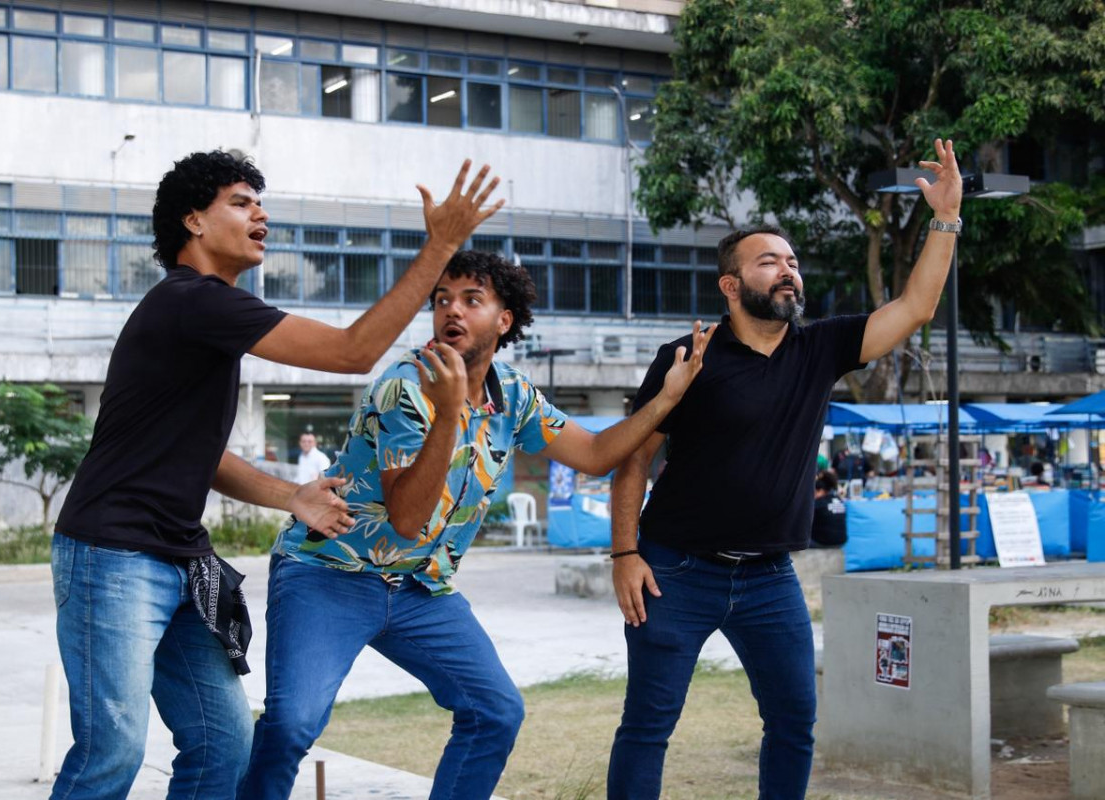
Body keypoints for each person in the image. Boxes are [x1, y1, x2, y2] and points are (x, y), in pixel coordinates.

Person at [48, 152, 504, 800]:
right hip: (112, 553)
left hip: (179, 557)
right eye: (241, 202)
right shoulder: (192, 300)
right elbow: (353, 352)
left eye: (260, 202)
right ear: (193, 221)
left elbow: (198, 454)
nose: (260, 214)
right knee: (112, 751)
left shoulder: (206, 319)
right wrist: (441, 246)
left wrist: (291, 495)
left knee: (223, 743)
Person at [238, 251, 711, 800]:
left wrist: (667, 398)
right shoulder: (407, 385)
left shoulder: (513, 394)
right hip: (329, 573)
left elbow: (598, 454)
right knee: (292, 724)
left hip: (420, 588)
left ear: (504, 320)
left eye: (471, 300)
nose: (451, 311)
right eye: (442, 300)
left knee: (495, 712)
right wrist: (447, 413)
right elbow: (408, 519)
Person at [607, 138, 964, 800]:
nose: (787, 271)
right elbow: (632, 456)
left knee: (795, 723)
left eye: (792, 262)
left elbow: (916, 307)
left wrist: (945, 218)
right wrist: (625, 553)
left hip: (770, 577)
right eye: (769, 262)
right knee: (649, 725)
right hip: (675, 571)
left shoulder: (821, 347)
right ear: (731, 284)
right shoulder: (688, 356)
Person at [810, 469, 847, 548]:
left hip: (823, 542)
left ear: (821, 491)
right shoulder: (839, 500)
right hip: (841, 541)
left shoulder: (818, 503)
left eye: (814, 492)